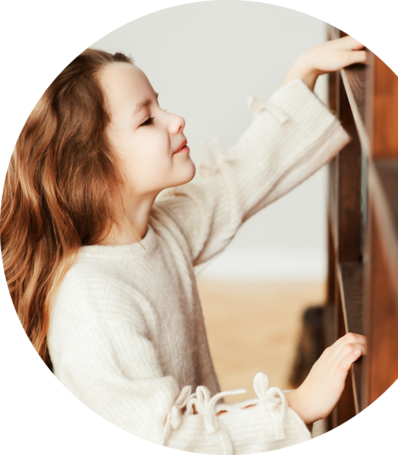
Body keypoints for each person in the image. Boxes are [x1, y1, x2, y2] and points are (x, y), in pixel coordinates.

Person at [1, 35, 368, 453]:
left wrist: (305, 73)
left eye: (160, 104)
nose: (175, 119)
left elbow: (240, 178)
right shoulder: (93, 302)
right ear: (89, 170)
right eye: (147, 120)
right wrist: (297, 406)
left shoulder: (158, 229)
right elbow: (167, 435)